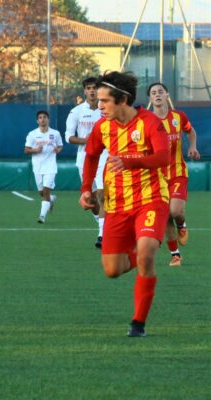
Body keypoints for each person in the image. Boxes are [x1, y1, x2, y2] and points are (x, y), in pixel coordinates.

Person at [79, 71, 170, 337]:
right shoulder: (102, 127)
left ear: (122, 100)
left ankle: (138, 324)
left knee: (146, 254)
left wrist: (129, 161)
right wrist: (86, 190)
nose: (99, 106)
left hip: (151, 198)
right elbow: (92, 155)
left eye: (105, 101)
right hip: (116, 204)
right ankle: (141, 257)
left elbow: (163, 157)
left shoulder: (150, 122)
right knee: (112, 270)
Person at [148, 82, 201, 267]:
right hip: (156, 177)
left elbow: (190, 131)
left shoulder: (178, 117)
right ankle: (175, 255)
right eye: (153, 93)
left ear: (167, 95)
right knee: (165, 216)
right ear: (150, 98)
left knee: (175, 211)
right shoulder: (146, 122)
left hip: (177, 172)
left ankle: (182, 225)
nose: (157, 95)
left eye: (160, 91)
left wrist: (193, 147)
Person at [65, 77, 107, 248]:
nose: (92, 91)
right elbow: (68, 137)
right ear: (84, 91)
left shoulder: (105, 110)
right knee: (92, 201)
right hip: (84, 159)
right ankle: (102, 224)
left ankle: (102, 235)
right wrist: (86, 140)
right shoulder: (76, 112)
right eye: (89, 88)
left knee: (103, 195)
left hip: (104, 157)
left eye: (95, 88)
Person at [25, 110, 63, 223]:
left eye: (45, 117)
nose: (42, 119)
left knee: (46, 190)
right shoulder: (32, 134)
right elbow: (26, 150)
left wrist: (58, 150)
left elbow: (60, 146)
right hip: (37, 167)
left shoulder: (55, 133)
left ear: (48, 119)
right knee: (42, 193)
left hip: (50, 166)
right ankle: (51, 199)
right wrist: (35, 150)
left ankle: (42, 216)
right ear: (37, 121)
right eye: (40, 117)